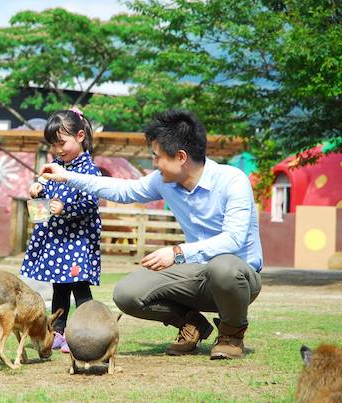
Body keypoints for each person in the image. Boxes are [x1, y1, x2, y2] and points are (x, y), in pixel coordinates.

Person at [41, 109, 262, 360]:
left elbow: (233, 239)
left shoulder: (232, 180)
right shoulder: (163, 181)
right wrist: (67, 176)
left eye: (157, 157)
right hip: (197, 271)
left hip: (238, 278)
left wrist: (178, 252)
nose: (154, 164)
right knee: (127, 293)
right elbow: (123, 190)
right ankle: (192, 325)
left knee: (223, 266)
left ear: (180, 157)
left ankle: (231, 335)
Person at [20, 108, 102, 354]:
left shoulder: (89, 170)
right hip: (57, 239)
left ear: (79, 136)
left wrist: (65, 209)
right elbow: (42, 211)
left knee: (80, 286)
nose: (58, 150)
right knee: (60, 287)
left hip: (77, 240)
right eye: (54, 145)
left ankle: (88, 333)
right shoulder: (53, 168)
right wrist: (38, 192)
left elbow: (90, 205)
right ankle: (58, 333)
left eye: (62, 143)